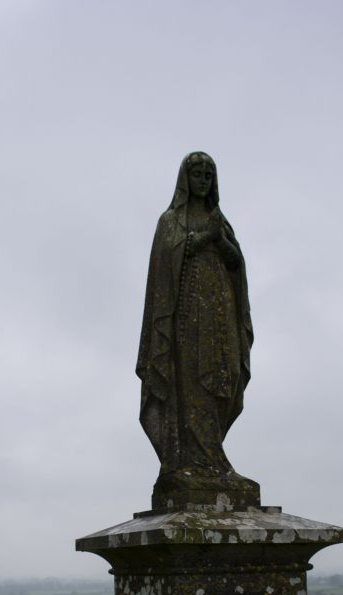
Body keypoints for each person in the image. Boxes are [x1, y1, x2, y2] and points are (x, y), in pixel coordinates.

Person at [136, 152, 257, 507]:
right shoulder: (171, 220)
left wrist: (222, 242)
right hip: (187, 317)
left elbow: (237, 265)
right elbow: (169, 258)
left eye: (209, 173)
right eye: (197, 172)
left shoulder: (222, 220)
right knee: (191, 384)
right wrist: (204, 237)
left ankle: (215, 460)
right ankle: (191, 462)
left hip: (220, 317)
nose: (203, 178)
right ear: (185, 177)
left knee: (225, 378)